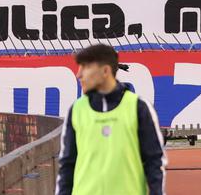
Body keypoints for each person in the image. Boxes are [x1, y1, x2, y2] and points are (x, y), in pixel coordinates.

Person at [56, 43, 165, 195]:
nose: (78, 74)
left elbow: (153, 161)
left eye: (85, 67)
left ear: (105, 71)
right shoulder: (76, 110)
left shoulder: (138, 107)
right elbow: (67, 165)